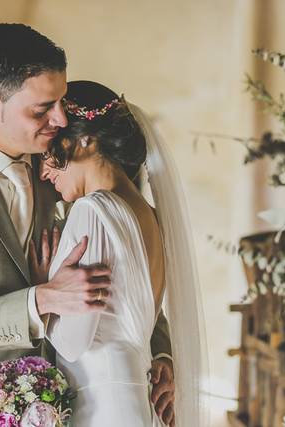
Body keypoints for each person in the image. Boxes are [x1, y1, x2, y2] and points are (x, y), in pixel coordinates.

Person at [0, 24, 175, 427]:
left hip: (77, 401)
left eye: (60, 101)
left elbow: (121, 271)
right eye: (42, 109)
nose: (60, 118)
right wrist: (42, 298)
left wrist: (158, 354)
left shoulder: (64, 173)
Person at [36, 81, 206, 427]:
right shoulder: (150, 215)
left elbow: (71, 343)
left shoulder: (92, 211)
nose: (44, 170)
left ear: (85, 139)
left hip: (102, 405)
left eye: (51, 151)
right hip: (135, 397)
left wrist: (46, 288)